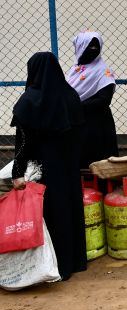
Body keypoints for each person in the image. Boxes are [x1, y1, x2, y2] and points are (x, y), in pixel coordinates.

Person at [11, 52, 87, 281]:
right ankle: (74, 262)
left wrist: (18, 172)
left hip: (45, 168)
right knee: (70, 209)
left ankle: (55, 266)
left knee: (52, 213)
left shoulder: (30, 101)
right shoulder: (70, 96)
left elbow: (23, 142)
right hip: (69, 166)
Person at [66, 30, 118, 170]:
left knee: (98, 160)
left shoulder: (102, 70)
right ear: (80, 46)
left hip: (96, 123)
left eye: (96, 47)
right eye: (89, 46)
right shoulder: (76, 69)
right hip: (78, 121)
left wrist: (76, 106)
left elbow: (104, 99)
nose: (93, 50)